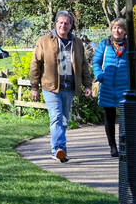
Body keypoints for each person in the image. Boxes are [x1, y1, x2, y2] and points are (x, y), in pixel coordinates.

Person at [29, 11, 94, 163]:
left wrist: (87, 85)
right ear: (56, 23)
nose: (63, 25)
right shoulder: (44, 41)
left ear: (71, 26)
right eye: (60, 22)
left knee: (64, 120)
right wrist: (34, 87)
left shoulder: (77, 43)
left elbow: (84, 65)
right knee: (56, 117)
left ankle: (60, 149)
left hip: (69, 87)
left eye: (66, 23)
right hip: (51, 87)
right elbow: (35, 64)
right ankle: (58, 149)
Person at [91, 18, 129, 157]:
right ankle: (113, 146)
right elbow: (96, 62)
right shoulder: (104, 44)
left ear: (124, 30)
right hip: (107, 85)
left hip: (124, 86)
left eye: (120, 28)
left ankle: (125, 144)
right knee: (109, 117)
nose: (117, 31)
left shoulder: (130, 45)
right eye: (114, 28)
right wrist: (100, 75)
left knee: (126, 118)